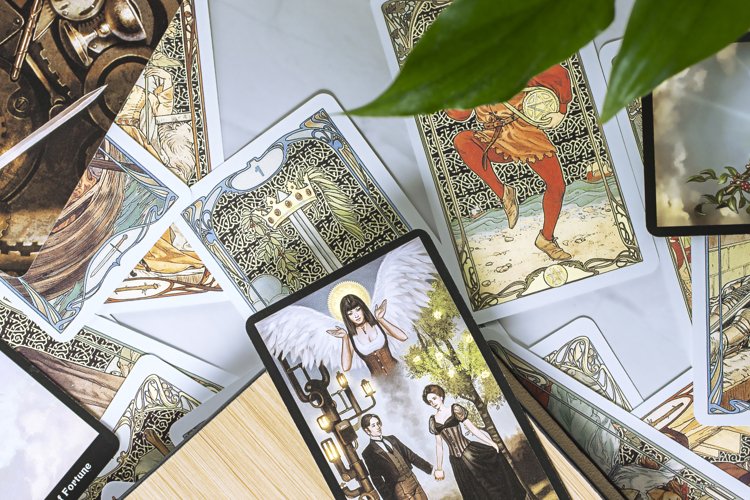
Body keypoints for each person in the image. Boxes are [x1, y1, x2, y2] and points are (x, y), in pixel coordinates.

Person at [446, 63, 573, 261]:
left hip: (524, 132)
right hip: (492, 136)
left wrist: (562, 110)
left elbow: (558, 72)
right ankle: (504, 193)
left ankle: (546, 239)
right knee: (463, 140)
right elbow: (460, 115)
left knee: (557, 186)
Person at [422, 384, 525, 499]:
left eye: (434, 398)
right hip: (457, 462)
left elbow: (472, 428)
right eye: (430, 401)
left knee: (489, 483)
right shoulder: (433, 420)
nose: (433, 403)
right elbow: (439, 445)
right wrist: (439, 468)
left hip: (471, 453)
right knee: (473, 492)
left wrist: (490, 442)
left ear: (441, 396)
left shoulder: (454, 409)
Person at [327, 294, 407, 376]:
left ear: (363, 308)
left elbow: (403, 337)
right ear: (347, 317)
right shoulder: (351, 339)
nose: (356, 315)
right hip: (381, 383)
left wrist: (381, 319)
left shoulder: (378, 325)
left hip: (399, 373)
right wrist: (344, 338)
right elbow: (346, 367)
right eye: (350, 313)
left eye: (358, 309)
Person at [361, 413, 432, 500]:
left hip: (413, 480)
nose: (378, 427)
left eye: (378, 423)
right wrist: (389, 498)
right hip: (400, 488)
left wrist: (429, 469)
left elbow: (411, 455)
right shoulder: (368, 452)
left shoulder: (392, 439)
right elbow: (376, 479)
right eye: (373, 425)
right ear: (367, 430)